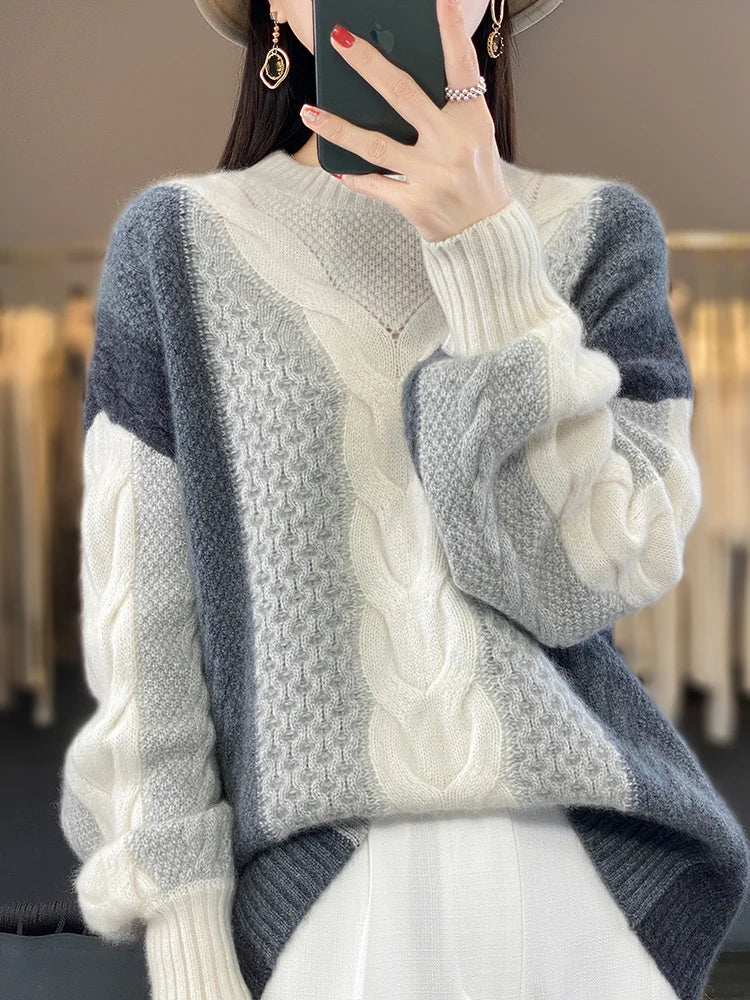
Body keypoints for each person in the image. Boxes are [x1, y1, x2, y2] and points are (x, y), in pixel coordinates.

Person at [57, 0, 750, 998]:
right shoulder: (175, 247)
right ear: (274, 12)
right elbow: (145, 642)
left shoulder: (602, 235)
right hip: (322, 917)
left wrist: (491, 260)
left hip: (577, 901)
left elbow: (584, 583)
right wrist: (186, 942)